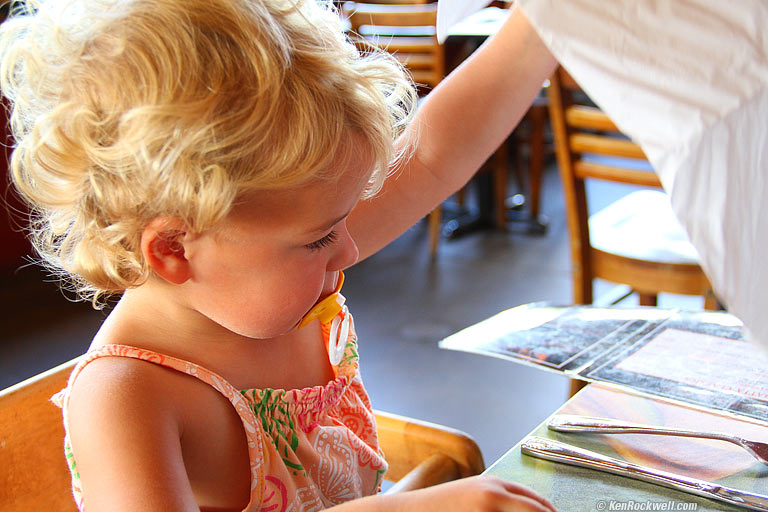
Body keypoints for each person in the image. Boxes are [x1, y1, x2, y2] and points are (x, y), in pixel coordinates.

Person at [0, 0, 557, 510]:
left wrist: (549, 22)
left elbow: (432, 153)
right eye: (321, 238)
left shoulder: (259, 258)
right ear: (173, 248)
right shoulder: (125, 400)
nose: (351, 247)